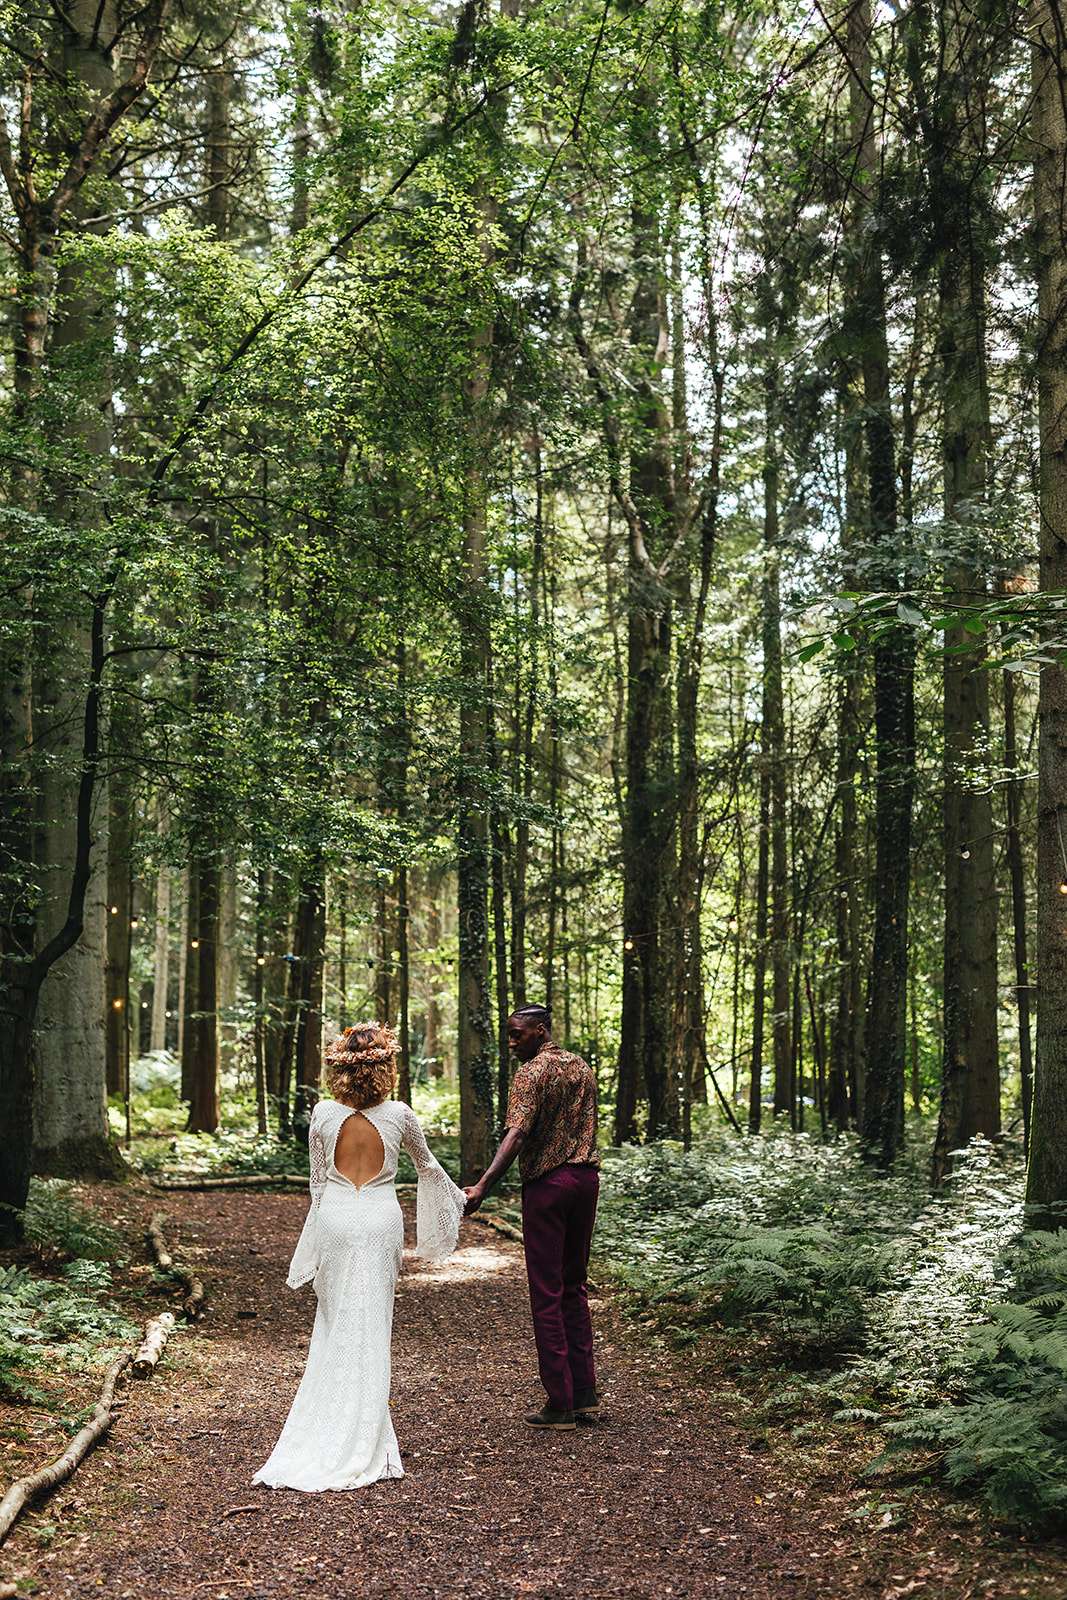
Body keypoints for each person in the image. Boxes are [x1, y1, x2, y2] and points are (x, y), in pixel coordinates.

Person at [253, 1022, 466, 1492]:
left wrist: (317, 1237)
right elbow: (427, 1168)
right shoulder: (401, 1116)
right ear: (386, 1067)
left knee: (332, 1324)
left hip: (336, 1219)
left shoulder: (323, 1114)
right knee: (372, 1325)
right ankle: (366, 1434)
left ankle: (330, 1425)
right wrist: (461, 1198)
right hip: (379, 1219)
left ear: (339, 1068)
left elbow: (316, 1184)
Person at [465, 1004, 600, 1431]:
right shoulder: (580, 1066)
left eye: (517, 1034)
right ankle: (584, 1394)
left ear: (540, 1031)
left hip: (550, 1185)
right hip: (586, 1182)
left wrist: (484, 1185)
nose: (510, 1042)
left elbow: (518, 1133)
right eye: (509, 1033)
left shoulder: (531, 1074)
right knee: (573, 1286)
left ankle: (560, 1404)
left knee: (548, 1291)